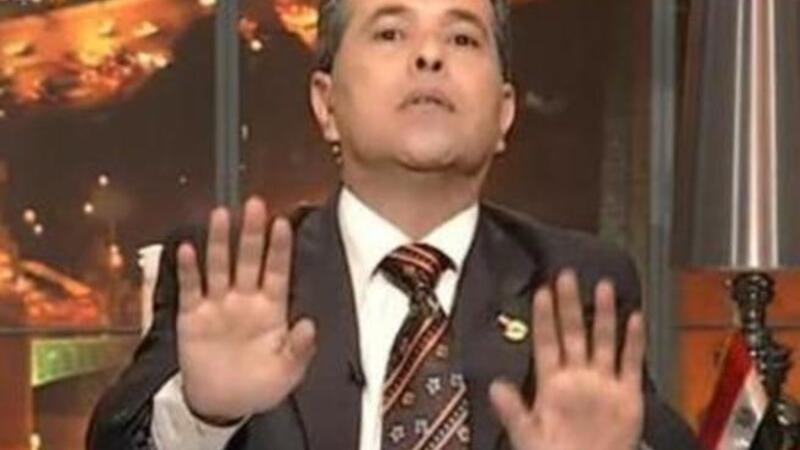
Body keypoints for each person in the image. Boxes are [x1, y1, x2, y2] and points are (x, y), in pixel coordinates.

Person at [88, 0, 701, 448]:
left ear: (504, 113)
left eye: (462, 39)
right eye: (390, 32)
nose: (430, 56)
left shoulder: (572, 285)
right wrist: (203, 417)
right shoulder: (236, 278)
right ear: (326, 104)